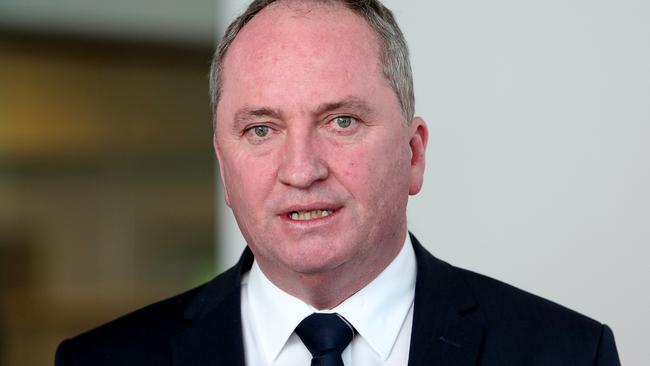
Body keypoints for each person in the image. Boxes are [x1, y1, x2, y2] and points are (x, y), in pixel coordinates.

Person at [55, 0, 621, 365]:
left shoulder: (566, 353)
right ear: (224, 168)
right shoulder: (103, 361)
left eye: (341, 121)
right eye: (261, 128)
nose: (301, 170)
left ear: (414, 152)